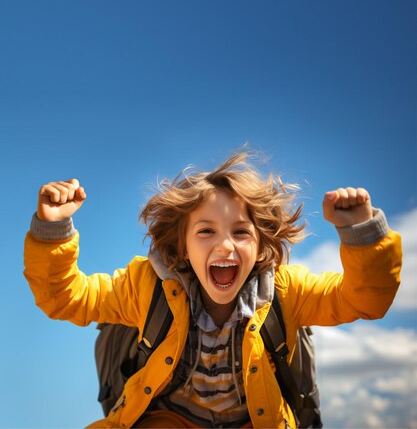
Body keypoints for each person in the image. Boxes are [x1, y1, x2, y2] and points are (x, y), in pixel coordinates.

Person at [24, 152, 402, 429]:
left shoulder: (287, 291)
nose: (225, 246)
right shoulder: (145, 286)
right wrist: (53, 230)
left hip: (255, 421)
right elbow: (65, 297)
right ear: (182, 247)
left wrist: (361, 235)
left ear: (262, 245)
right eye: (206, 231)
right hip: (168, 419)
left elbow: (364, 300)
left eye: (240, 232)